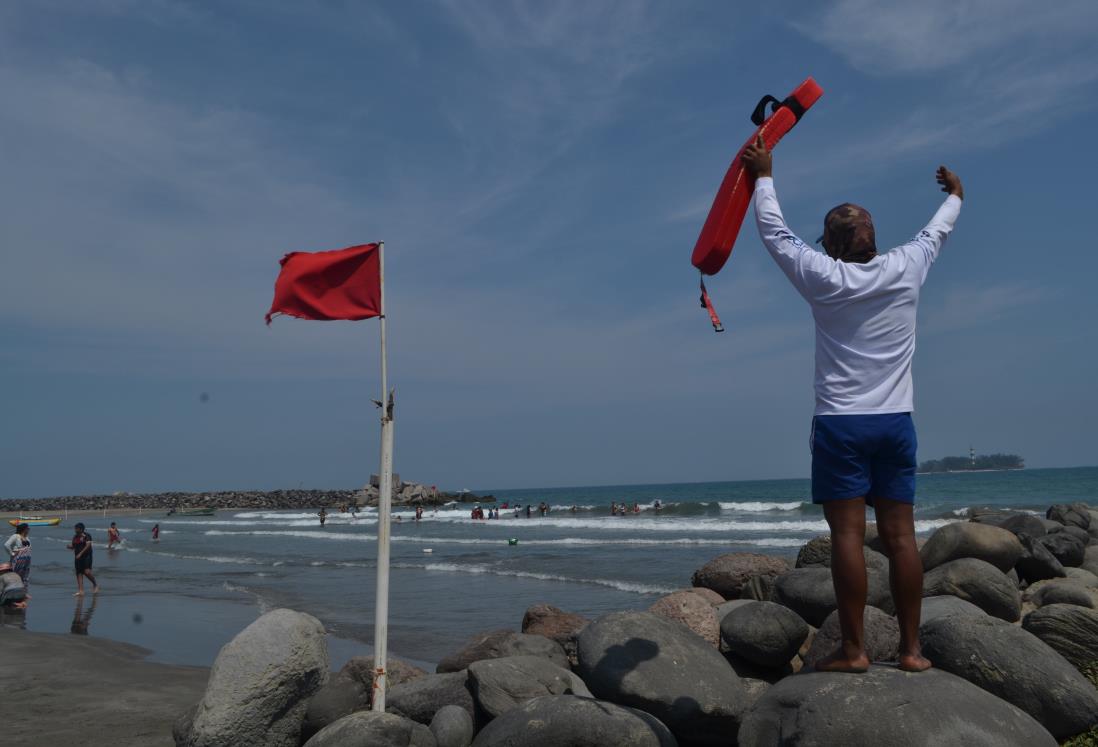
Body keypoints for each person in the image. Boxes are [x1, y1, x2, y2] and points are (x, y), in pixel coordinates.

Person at [742, 135, 963, 673]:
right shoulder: (909, 265)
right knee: (901, 538)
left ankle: (856, 650)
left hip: (841, 424)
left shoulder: (822, 275)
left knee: (845, 535)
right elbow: (938, 227)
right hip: (895, 422)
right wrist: (955, 195)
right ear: (873, 237)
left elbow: (774, 232)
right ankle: (912, 652)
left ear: (833, 245)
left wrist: (764, 175)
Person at [67, 523, 100, 596]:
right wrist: (70, 547)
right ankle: (81, 591)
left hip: (86, 556)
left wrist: (81, 553)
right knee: (79, 573)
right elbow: (74, 546)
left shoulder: (86, 536)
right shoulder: (75, 537)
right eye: (75, 528)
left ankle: (95, 584)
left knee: (87, 572)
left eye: (76, 528)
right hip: (77, 557)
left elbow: (88, 545)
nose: (75, 530)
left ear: (81, 529)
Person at [4, 523, 31, 596]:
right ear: (24, 529)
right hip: (18, 559)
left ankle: (24, 592)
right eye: (28, 528)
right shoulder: (15, 536)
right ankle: (14, 592)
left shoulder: (27, 537)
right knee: (16, 574)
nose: (29, 530)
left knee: (25, 575)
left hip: (26, 560)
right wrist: (11, 553)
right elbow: (6, 545)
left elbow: (28, 547)